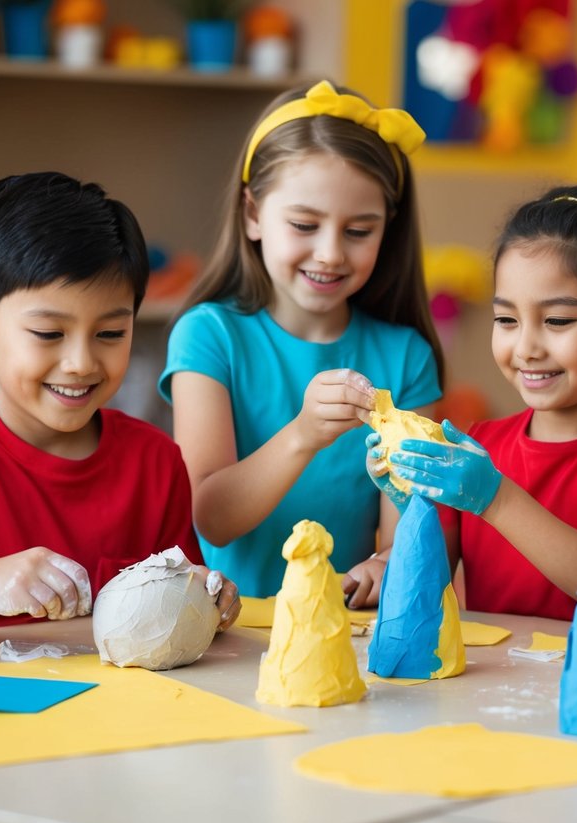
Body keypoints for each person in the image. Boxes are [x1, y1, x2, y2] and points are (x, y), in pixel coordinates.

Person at [0, 172, 239, 638]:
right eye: (49, 334)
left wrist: (208, 598)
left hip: (102, 708)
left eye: (110, 334)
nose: (80, 363)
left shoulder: (154, 463)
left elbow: (178, 614)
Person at [160, 80, 443, 601]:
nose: (331, 253)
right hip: (229, 635)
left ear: (388, 229)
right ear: (252, 214)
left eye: (359, 231)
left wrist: (387, 564)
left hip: (347, 635)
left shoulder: (406, 358)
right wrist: (304, 433)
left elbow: (412, 527)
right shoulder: (208, 336)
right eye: (305, 224)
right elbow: (211, 518)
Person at [370, 184, 577, 622]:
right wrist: (405, 515)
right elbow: (426, 583)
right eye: (506, 319)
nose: (526, 347)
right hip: (490, 690)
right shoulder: (478, 446)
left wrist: (497, 499)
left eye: (557, 321)